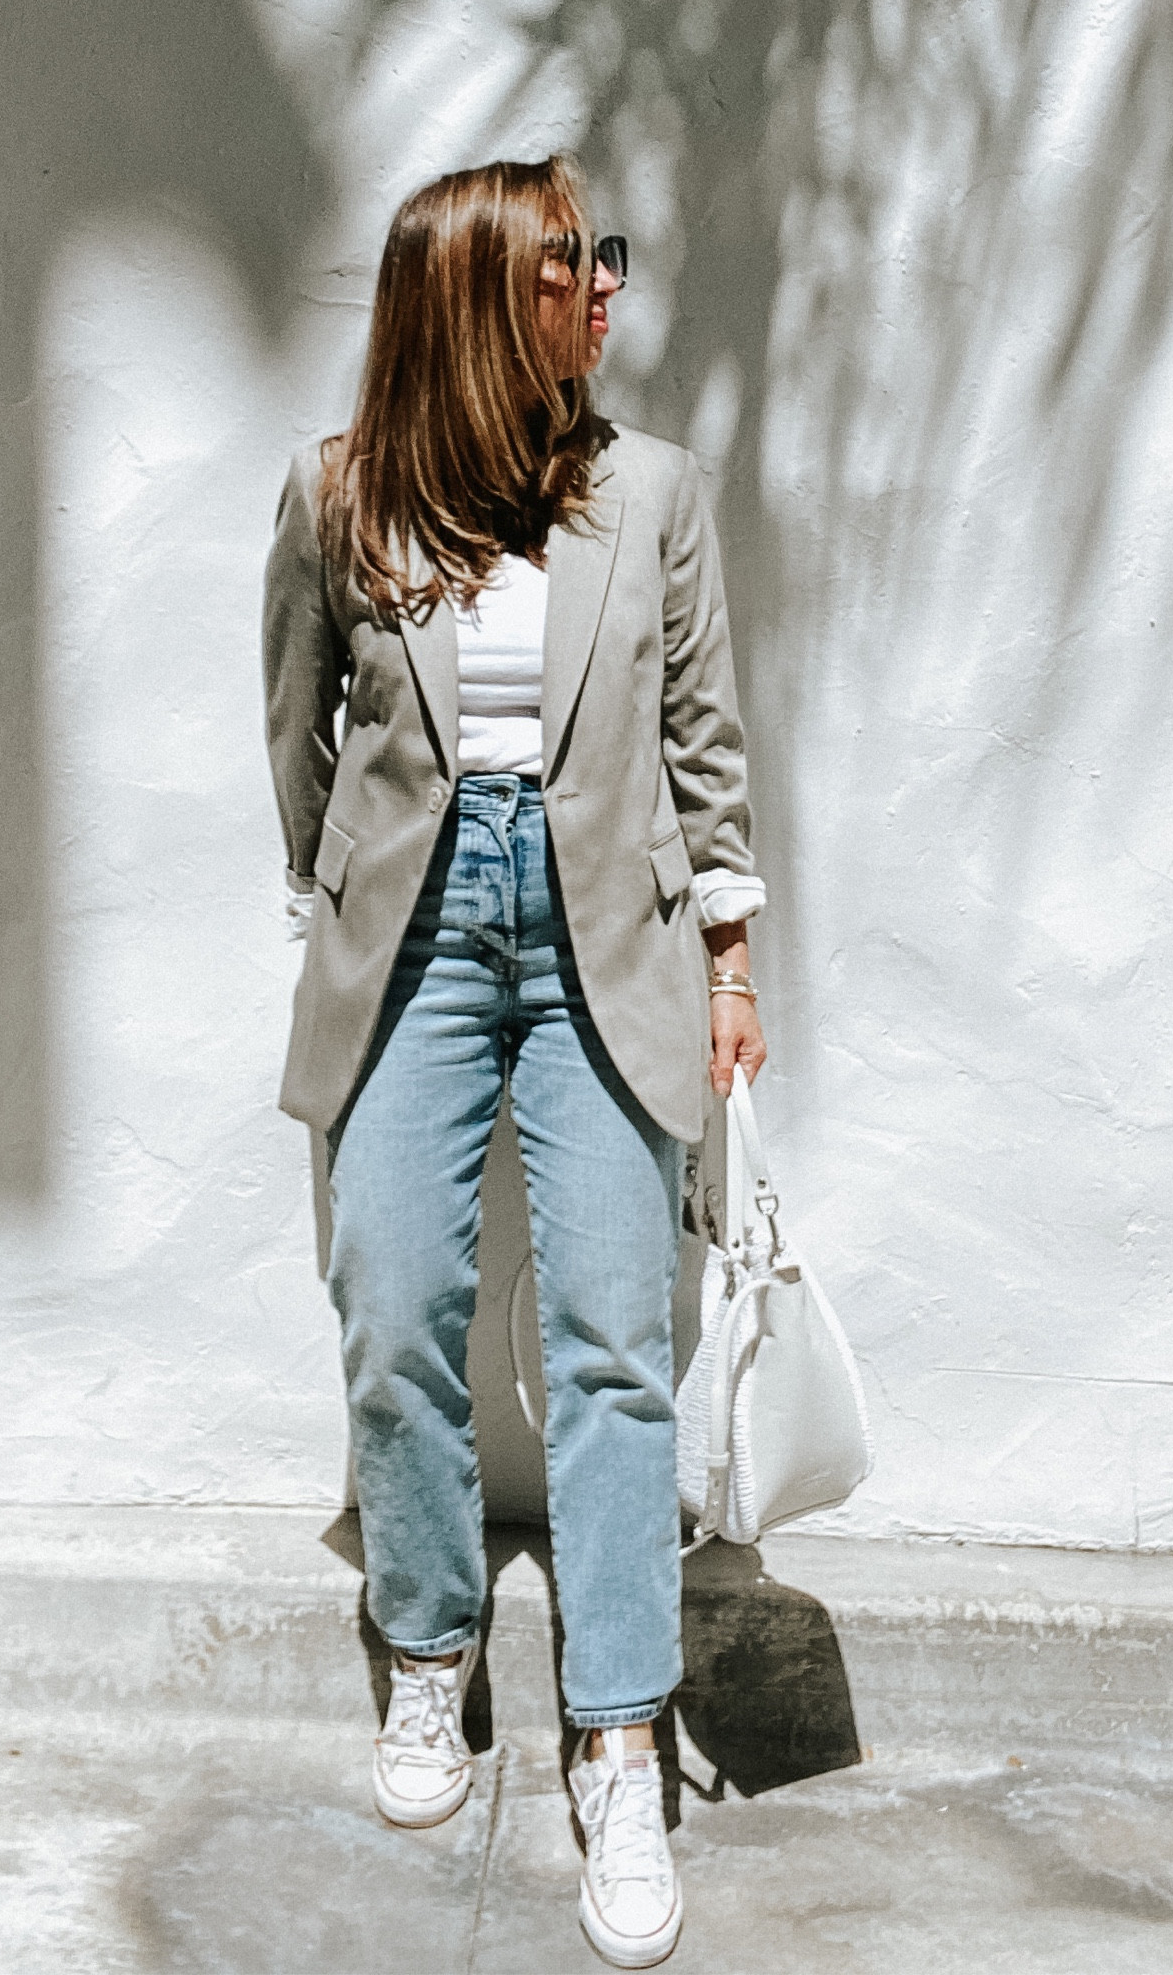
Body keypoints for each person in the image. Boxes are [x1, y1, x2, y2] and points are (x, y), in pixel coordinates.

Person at [262, 152, 766, 1969]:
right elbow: (299, 732)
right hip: (412, 935)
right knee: (392, 1307)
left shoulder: (656, 497)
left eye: (605, 256)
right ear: (483, 297)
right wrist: (345, 895)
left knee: (615, 1347)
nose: (608, 285)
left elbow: (702, 741)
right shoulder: (342, 499)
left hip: (602, 943)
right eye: (573, 262)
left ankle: (619, 1734)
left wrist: (728, 953)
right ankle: (430, 1645)